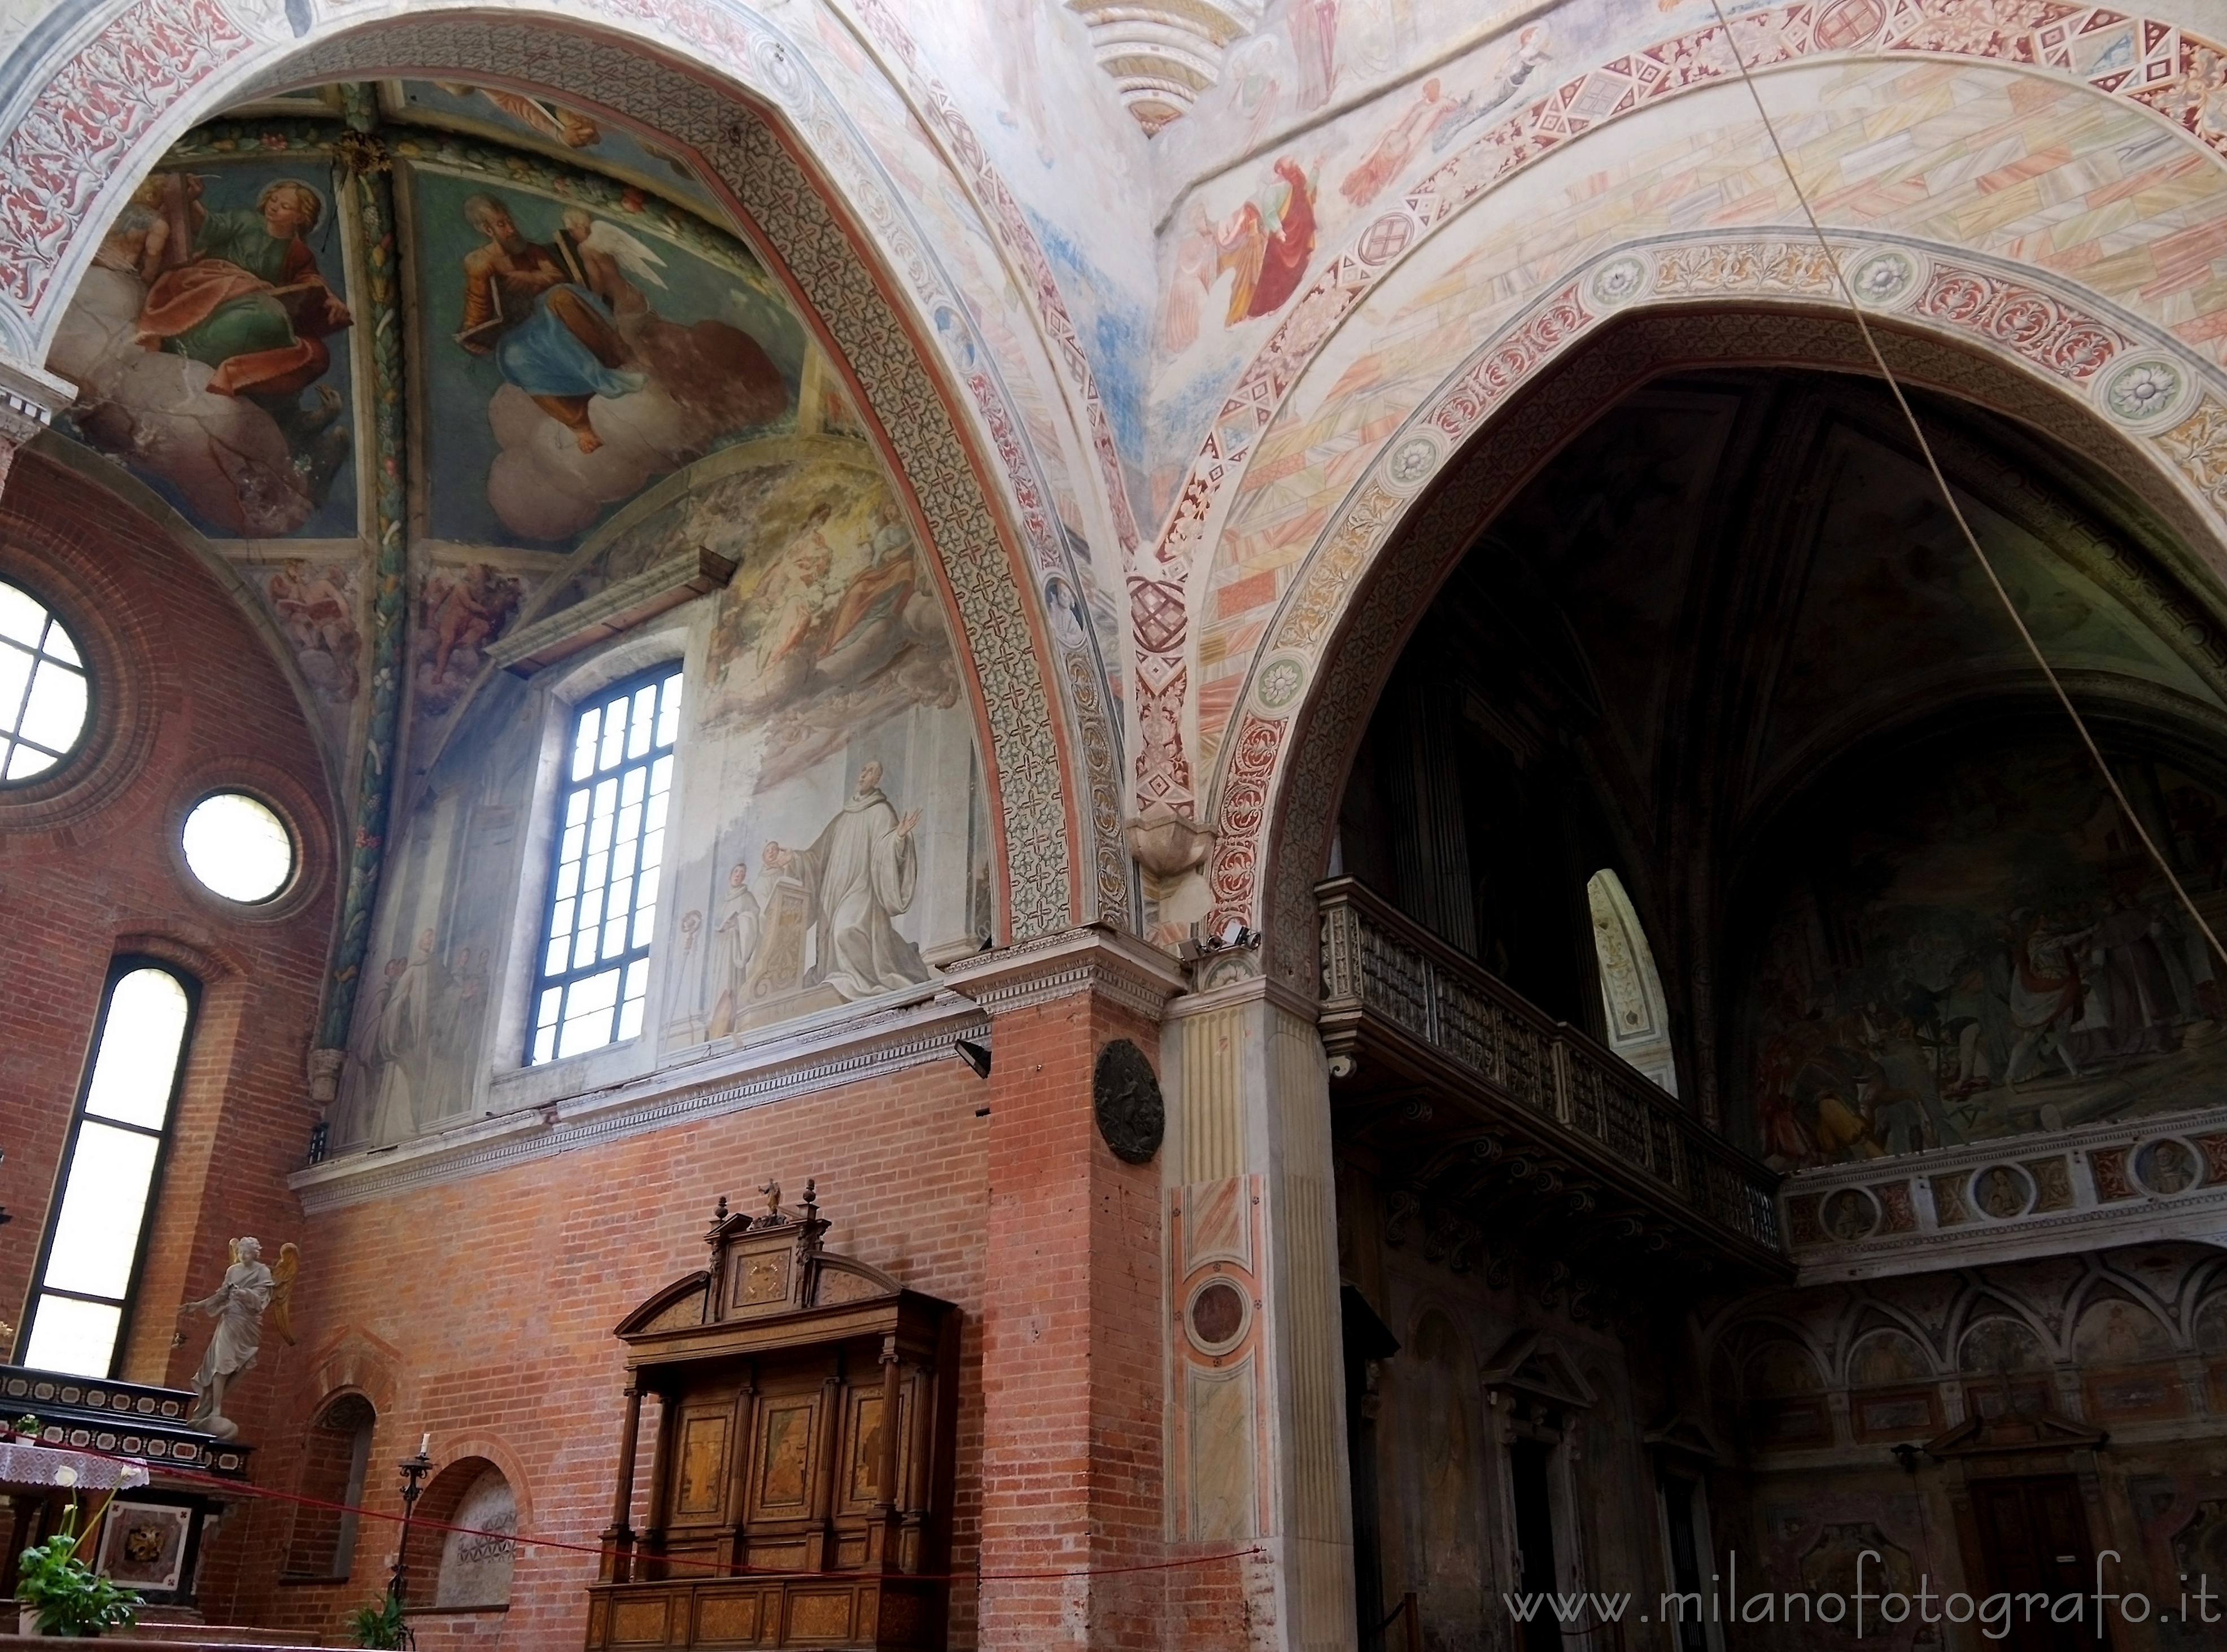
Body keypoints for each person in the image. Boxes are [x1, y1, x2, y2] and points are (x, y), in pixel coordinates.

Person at [455, 193, 642, 452]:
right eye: (501, 225)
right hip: (520, 328)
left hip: (551, 312)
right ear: (488, 230)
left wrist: (530, 278)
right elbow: (478, 308)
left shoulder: (530, 250)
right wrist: (474, 338)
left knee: (562, 296)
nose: (511, 229)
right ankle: (582, 427)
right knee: (513, 356)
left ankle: (618, 358)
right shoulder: (479, 263)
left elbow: (556, 275)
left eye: (509, 221)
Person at [763, 761, 930, 999]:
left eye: (871, 771)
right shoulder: (842, 819)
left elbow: (885, 848)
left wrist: (899, 837)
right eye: (863, 770)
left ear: (877, 779)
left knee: (846, 930)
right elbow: (818, 857)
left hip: (862, 889)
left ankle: (865, 981)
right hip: (834, 893)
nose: (863, 774)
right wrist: (795, 858)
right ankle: (844, 978)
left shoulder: (881, 812)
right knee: (836, 934)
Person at [179, 1238, 274, 1441]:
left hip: (247, 1325)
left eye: (247, 1253)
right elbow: (221, 1295)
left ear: (255, 1253)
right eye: (240, 1253)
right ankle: (215, 1409)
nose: (242, 1256)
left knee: (240, 1365)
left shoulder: (263, 1272)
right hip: (229, 1320)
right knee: (219, 1364)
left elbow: (260, 1300)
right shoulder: (233, 1271)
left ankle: (214, 1408)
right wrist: (197, 1306)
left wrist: (243, 1294)